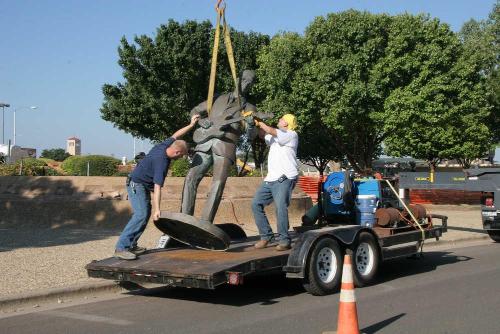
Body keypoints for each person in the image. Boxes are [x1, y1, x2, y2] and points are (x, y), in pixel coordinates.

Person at [114, 114, 200, 260]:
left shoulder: (164, 145)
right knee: (141, 214)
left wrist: (191, 125)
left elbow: (176, 135)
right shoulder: (161, 162)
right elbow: (157, 188)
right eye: (181, 156)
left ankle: (132, 244)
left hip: (142, 183)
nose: (180, 158)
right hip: (136, 184)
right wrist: (157, 209)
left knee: (144, 214)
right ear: (177, 152)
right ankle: (121, 248)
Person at [181, 70, 257, 223]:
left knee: (218, 184)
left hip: (226, 146)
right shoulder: (217, 98)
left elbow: (252, 136)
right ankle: (184, 219)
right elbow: (195, 110)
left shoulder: (249, 108)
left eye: (251, 81)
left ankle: (205, 223)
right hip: (204, 143)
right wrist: (200, 121)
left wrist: (250, 126)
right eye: (245, 79)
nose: (247, 83)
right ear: (237, 79)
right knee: (190, 178)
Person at [252, 114, 299, 251]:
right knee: (256, 204)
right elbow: (262, 134)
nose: (279, 120)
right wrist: (253, 124)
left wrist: (260, 121)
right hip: (271, 179)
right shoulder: (275, 137)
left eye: (282, 119)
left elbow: (270, 130)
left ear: (287, 124)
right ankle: (266, 236)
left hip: (284, 178)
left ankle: (284, 240)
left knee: (280, 207)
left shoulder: (291, 134)